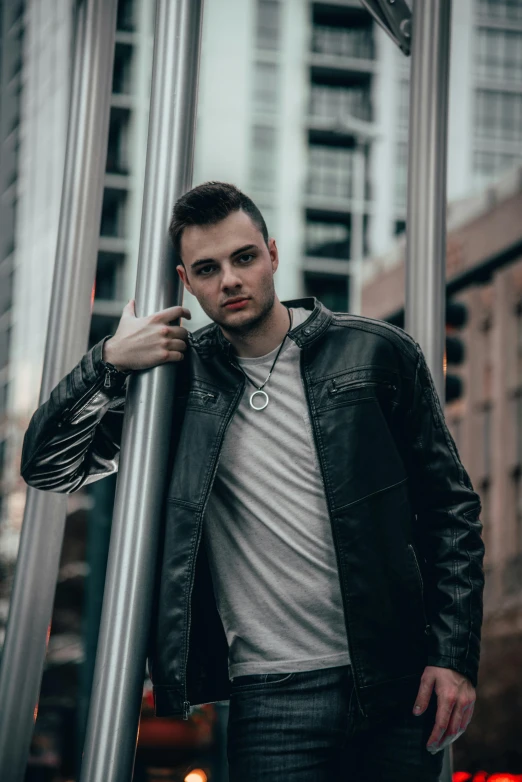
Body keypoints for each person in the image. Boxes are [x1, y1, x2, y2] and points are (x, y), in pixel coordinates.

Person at [21, 182, 484, 781]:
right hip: (272, 697)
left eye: (243, 258)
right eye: (208, 269)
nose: (230, 281)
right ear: (188, 283)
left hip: (398, 686)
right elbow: (47, 464)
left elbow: (451, 511)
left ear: (271, 253)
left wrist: (453, 657)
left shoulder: (376, 355)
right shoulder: (175, 389)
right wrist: (108, 361)